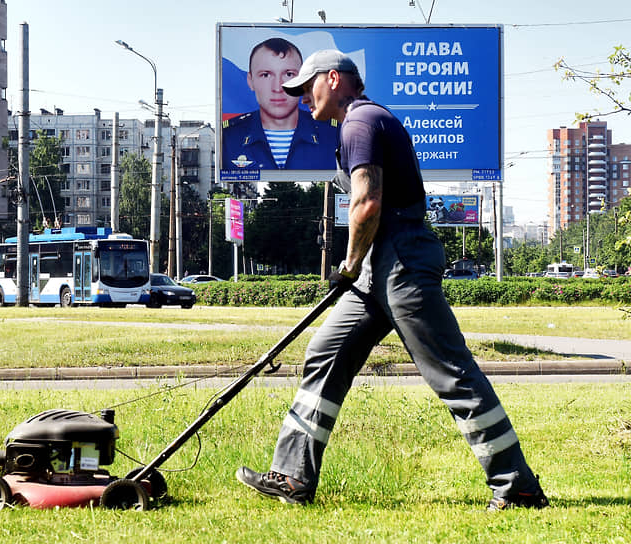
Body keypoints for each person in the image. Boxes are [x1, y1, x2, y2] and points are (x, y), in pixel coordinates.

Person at [235, 50, 549, 511]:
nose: (302, 97)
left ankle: (516, 485)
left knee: (449, 371)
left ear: (335, 79)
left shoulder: (361, 123)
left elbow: (366, 203)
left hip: (400, 259)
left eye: (308, 87)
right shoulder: (358, 125)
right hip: (378, 265)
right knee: (325, 352)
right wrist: (358, 269)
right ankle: (292, 476)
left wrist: (347, 265)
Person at [221, 38, 339, 171]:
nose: (278, 87)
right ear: (250, 81)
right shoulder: (228, 137)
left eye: (289, 74)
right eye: (266, 75)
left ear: (302, 81)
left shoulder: (334, 134)